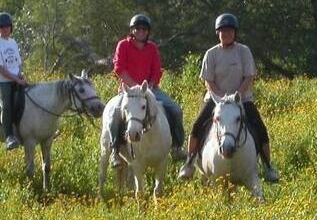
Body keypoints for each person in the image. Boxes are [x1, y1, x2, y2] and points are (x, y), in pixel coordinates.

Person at [178, 13, 279, 183]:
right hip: (216, 100)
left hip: (242, 99)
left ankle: (268, 166)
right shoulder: (211, 54)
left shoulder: (243, 51)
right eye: (223, 31)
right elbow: (208, 80)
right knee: (196, 126)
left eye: (230, 31)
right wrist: (219, 97)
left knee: (261, 129)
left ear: (235, 32)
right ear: (218, 33)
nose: (227, 34)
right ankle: (189, 163)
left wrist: (237, 95)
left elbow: (249, 77)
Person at [110, 14, 187, 167]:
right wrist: (135, 88)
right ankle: (115, 150)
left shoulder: (152, 48)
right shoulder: (123, 45)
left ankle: (177, 147)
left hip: (150, 89)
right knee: (115, 113)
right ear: (132, 30)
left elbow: (157, 71)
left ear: (148, 32)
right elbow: (119, 69)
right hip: (128, 90)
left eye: (144, 29)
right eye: (137, 28)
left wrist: (150, 86)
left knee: (175, 109)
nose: (141, 31)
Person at [0, 12, 27, 151]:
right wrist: (16, 79)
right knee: (6, 105)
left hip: (15, 79)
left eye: (7, 26)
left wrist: (21, 75)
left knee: (30, 98)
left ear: (11, 27)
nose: (5, 29)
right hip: (0, 82)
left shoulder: (13, 42)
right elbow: (1, 69)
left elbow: (18, 63)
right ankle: (9, 137)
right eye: (2, 27)